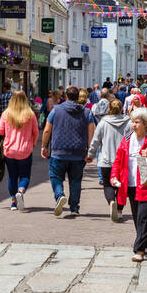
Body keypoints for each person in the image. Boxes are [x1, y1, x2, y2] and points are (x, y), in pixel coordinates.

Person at [109, 107, 147, 262]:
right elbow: (118, 159)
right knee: (138, 216)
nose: (133, 125)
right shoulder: (127, 139)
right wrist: (114, 176)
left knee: (143, 217)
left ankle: (139, 250)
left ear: (145, 123)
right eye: (132, 122)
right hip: (130, 184)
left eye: (136, 122)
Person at [41, 85, 95, 217]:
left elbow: (47, 129)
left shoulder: (56, 110)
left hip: (59, 151)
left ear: (66, 96)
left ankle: (59, 195)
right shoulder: (87, 113)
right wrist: (90, 151)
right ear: (78, 97)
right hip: (78, 152)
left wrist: (44, 146)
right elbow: (91, 132)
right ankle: (74, 207)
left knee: (56, 177)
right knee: (75, 180)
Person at [87, 97, 129, 222]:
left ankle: (111, 202)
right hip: (123, 160)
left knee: (107, 184)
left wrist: (90, 154)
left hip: (106, 160)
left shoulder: (103, 122)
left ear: (109, 109)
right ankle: (120, 211)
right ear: (121, 108)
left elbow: (95, 141)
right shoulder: (129, 122)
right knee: (121, 186)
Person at [0, 90, 39, 211]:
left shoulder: (6, 114)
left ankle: (13, 202)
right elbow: (36, 132)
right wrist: (33, 143)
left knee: (12, 177)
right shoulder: (30, 114)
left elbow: (0, 132)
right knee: (25, 176)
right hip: (25, 150)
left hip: (9, 150)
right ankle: (20, 192)